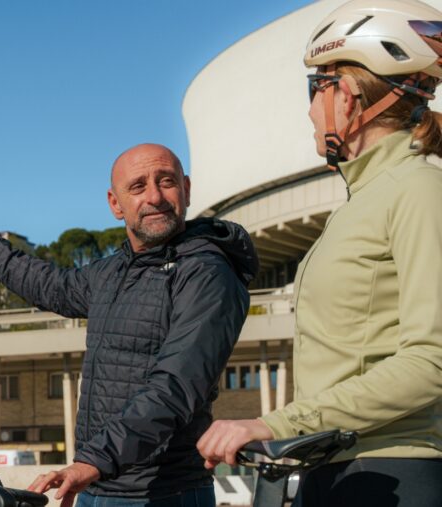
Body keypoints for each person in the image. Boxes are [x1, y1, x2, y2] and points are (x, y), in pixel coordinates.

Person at [197, 1, 442, 505]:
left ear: (347, 98)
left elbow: (432, 360)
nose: (310, 109)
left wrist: (275, 421)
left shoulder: (418, 190)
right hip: (335, 468)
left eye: (317, 90)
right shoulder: (360, 202)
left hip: (390, 472)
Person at [0, 144, 258, 507]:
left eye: (166, 181)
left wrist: (94, 460)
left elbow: (175, 386)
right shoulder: (115, 271)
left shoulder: (206, 272)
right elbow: (53, 286)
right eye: (138, 187)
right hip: (97, 486)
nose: (154, 196)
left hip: (163, 493)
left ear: (186, 189)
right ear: (115, 203)